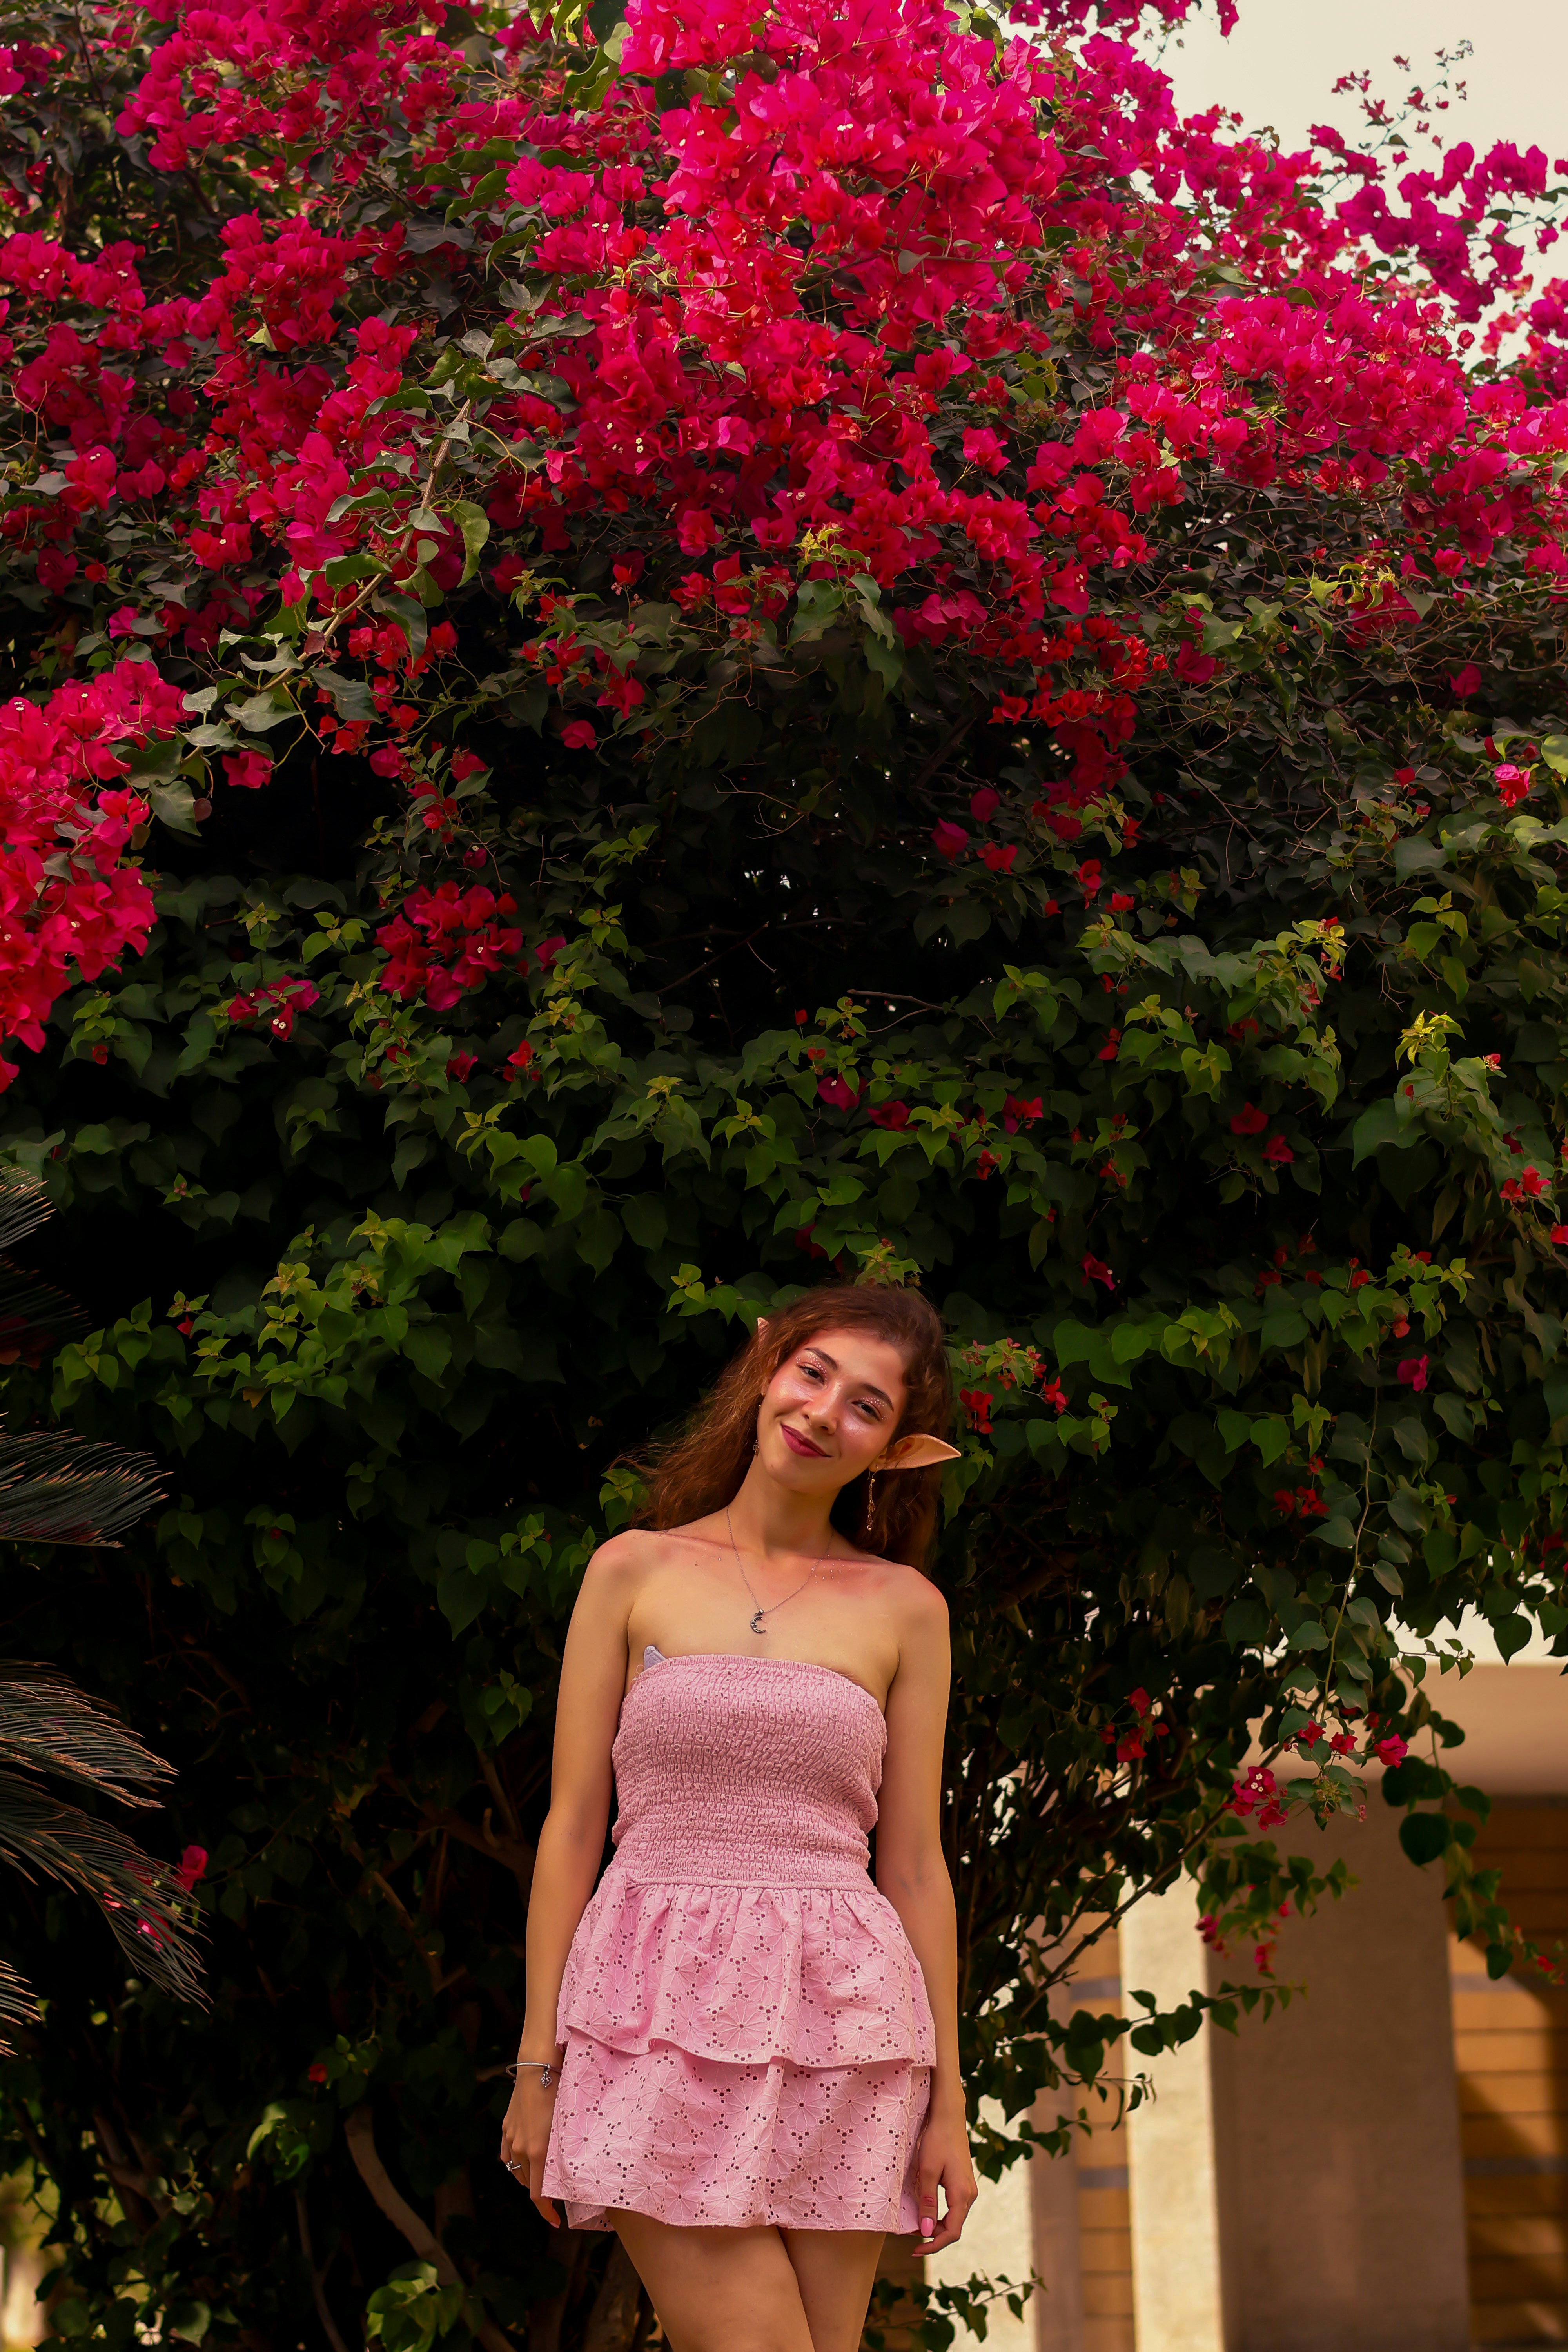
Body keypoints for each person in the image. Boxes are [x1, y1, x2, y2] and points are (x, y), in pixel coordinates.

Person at [499, 1282, 978, 2352]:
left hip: (847, 2026)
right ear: (768, 1369)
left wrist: (949, 2100)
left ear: (896, 1451)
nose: (823, 1413)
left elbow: (913, 1866)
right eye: (814, 1374)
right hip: (651, 2012)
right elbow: (571, 1829)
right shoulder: (632, 1570)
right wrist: (538, 2063)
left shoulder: (908, 1610)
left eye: (866, 1406)